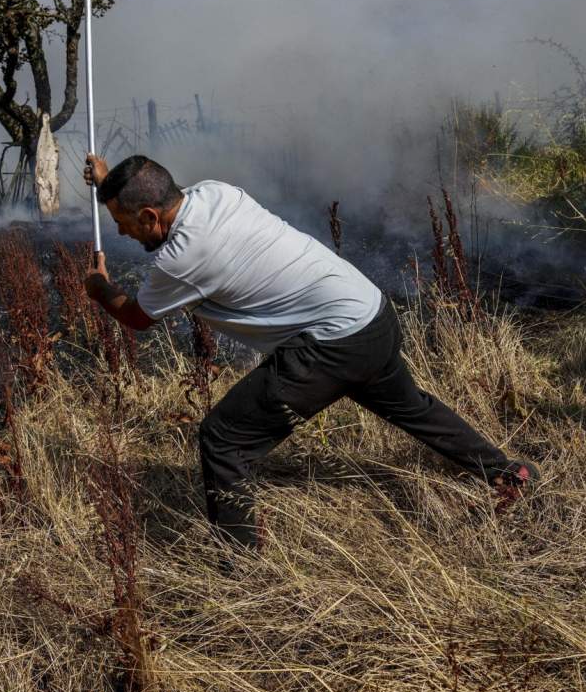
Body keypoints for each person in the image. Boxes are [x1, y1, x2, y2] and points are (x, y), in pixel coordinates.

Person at [81, 153, 533, 550]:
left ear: (149, 216)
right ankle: (508, 472)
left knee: (224, 439)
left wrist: (100, 289)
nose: (121, 234)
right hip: (370, 312)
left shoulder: (180, 259)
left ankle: (237, 570)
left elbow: (139, 318)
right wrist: (107, 185)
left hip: (333, 342)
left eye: (123, 224)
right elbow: (151, 193)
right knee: (411, 407)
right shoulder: (215, 193)